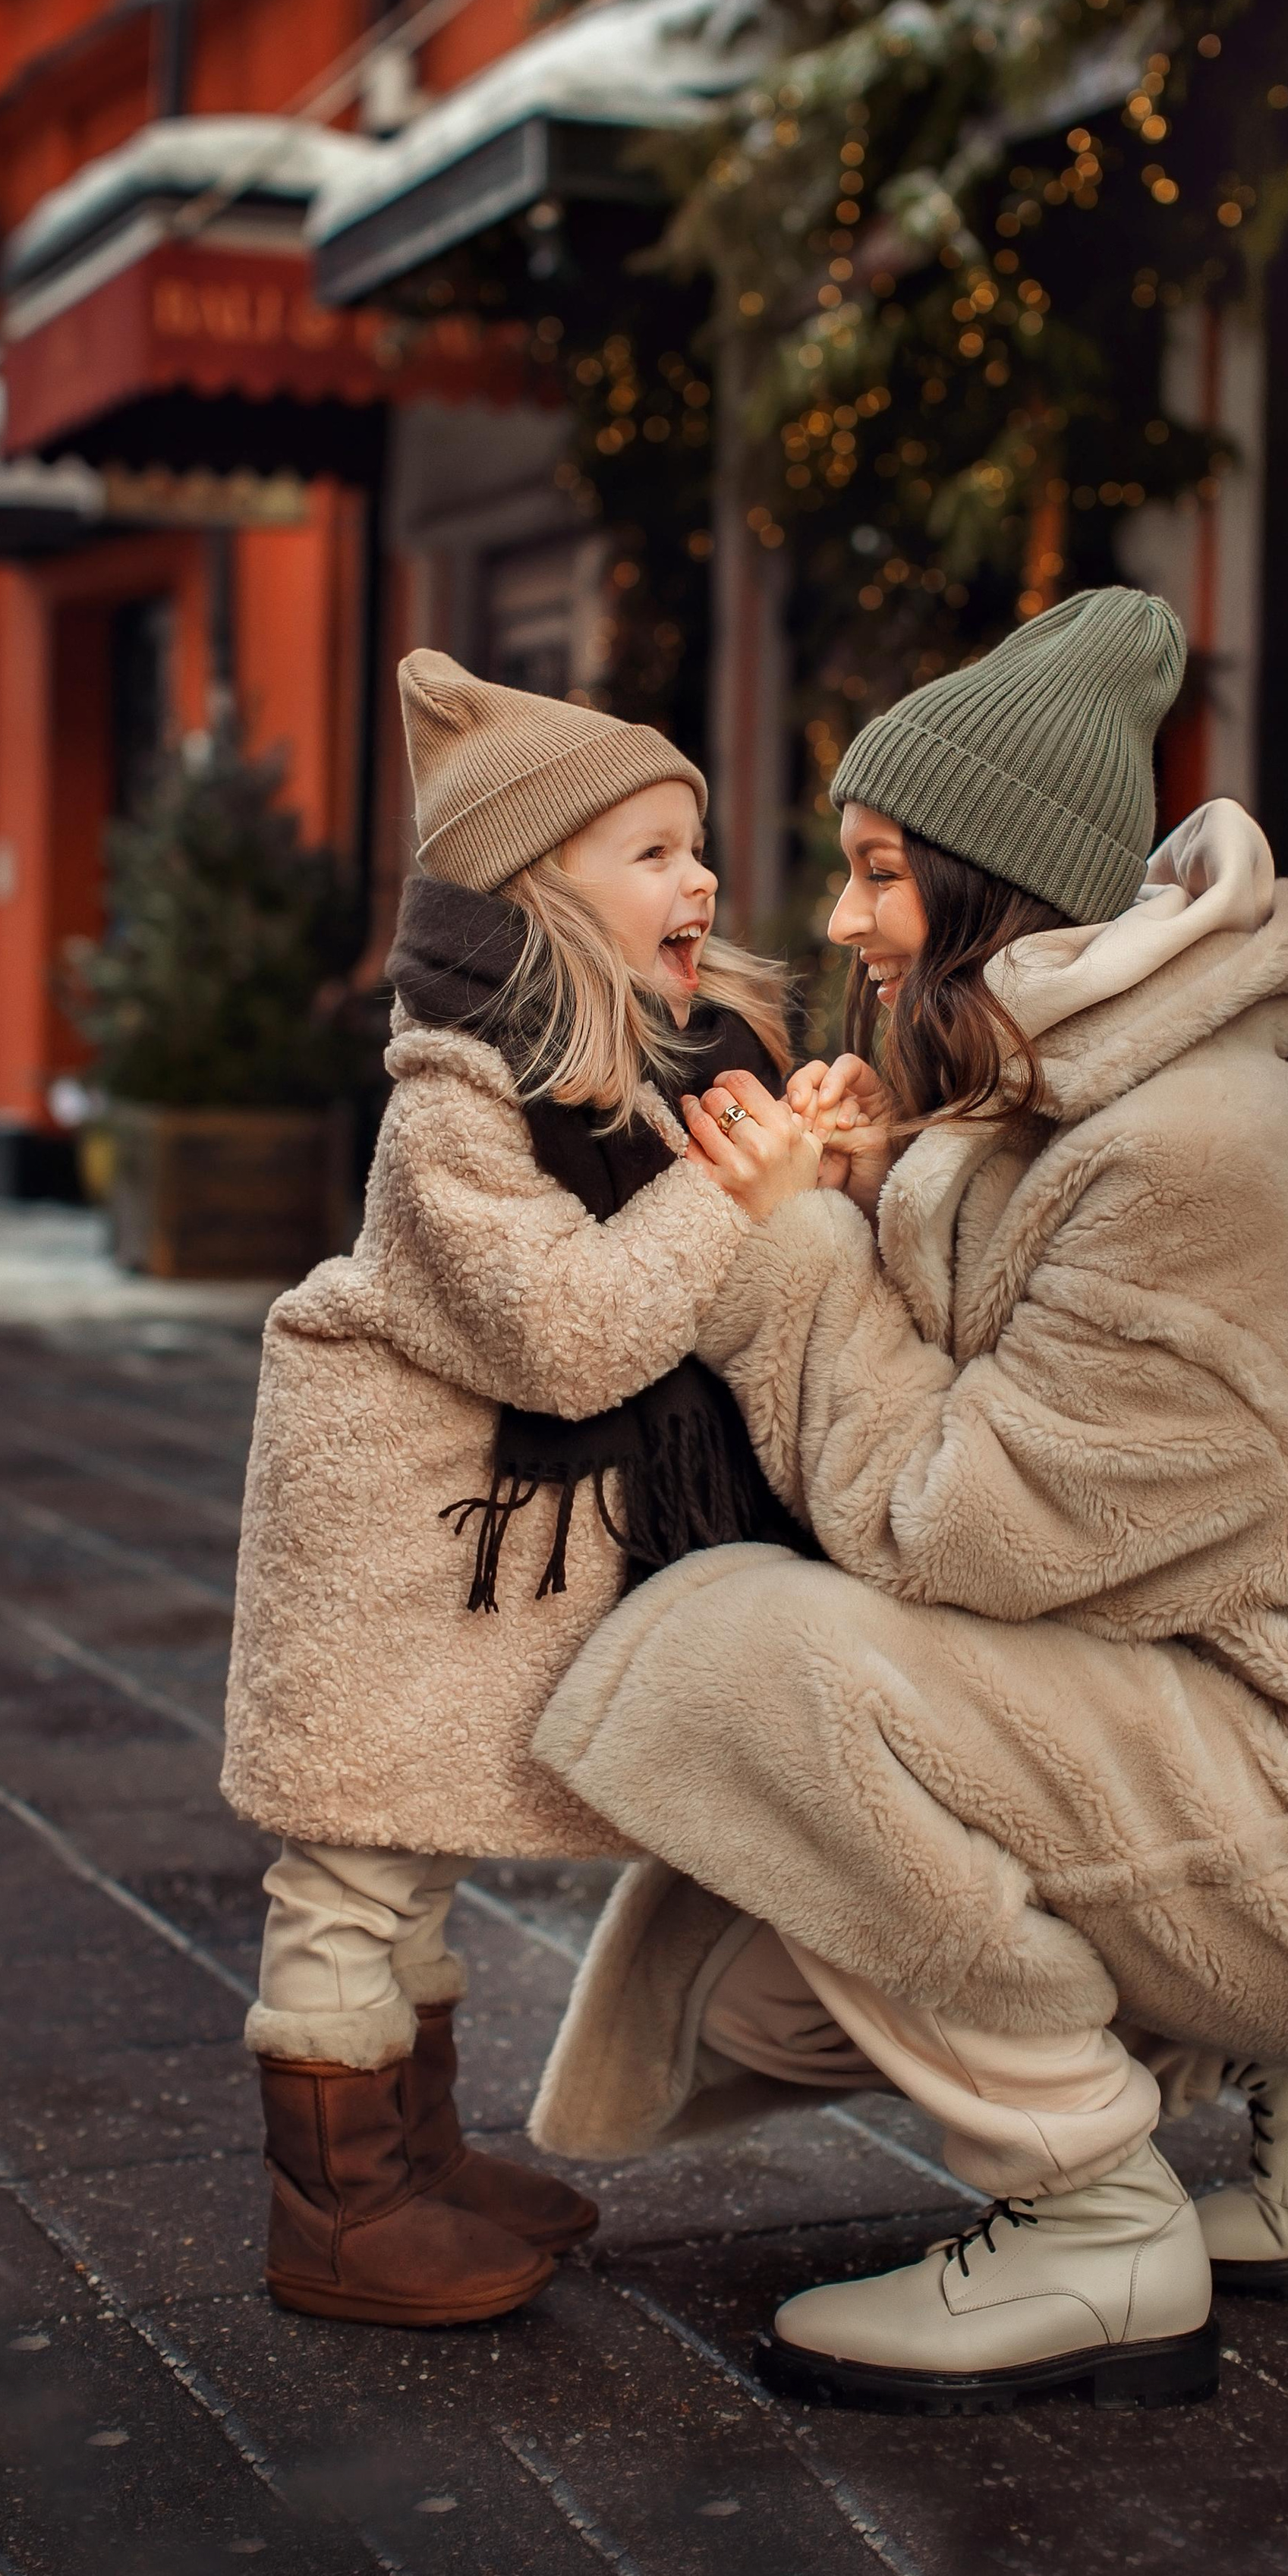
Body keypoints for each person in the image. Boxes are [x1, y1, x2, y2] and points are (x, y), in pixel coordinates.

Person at [524, 588, 1288, 2415]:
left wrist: (792, 1257)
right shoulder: (1059, 1112)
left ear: (991, 891)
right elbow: (1022, 1471)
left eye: (879, 874)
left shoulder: (1197, 1148)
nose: (844, 920)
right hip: (1261, 1735)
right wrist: (865, 1195)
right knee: (774, 1977)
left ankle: (1092, 2225)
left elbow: (964, 1527)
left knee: (741, 1665)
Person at [219, 649, 827, 2328]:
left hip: (462, 1543)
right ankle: (336, 2208)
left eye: (697, 845)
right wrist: (733, 1198)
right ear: (538, 889)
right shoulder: (455, 1099)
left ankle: (411, 2158)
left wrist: (791, 1153)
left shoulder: (637, 1067)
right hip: (387, 1539)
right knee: (355, 1869)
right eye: (652, 851)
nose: (701, 880)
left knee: (413, 1858)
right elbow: (568, 1337)